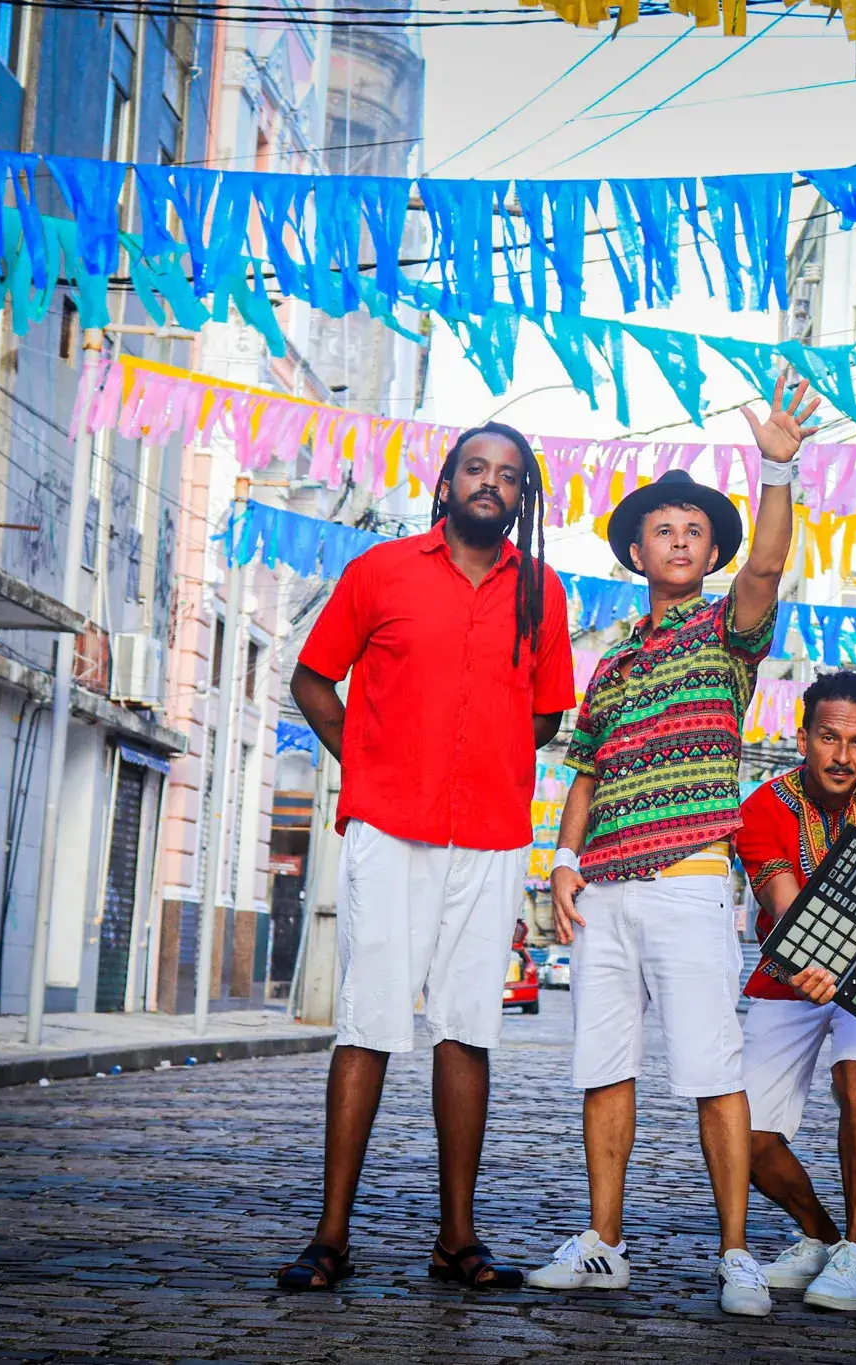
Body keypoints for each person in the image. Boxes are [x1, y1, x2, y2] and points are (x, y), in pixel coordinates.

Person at [527, 374, 820, 1317]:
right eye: (665, 529)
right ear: (637, 549)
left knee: (710, 1071)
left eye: (697, 529)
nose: (682, 539)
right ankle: (605, 1242)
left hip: (692, 881)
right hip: (605, 888)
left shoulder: (729, 633)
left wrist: (777, 466)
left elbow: (768, 567)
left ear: (709, 550)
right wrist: (564, 862)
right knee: (603, 1068)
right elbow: (587, 770)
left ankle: (736, 1251)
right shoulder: (610, 659)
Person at [275, 423, 574, 1293]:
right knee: (368, 1022)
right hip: (388, 828)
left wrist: (489, 754)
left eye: (509, 476)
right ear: (445, 484)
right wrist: (364, 762)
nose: (492, 483)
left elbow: (550, 712)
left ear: (523, 499)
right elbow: (311, 678)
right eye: (476, 468)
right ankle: (330, 1235)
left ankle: (457, 1238)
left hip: (488, 836)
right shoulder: (381, 571)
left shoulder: (542, 592)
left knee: (469, 1028)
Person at [732, 669, 856, 1312]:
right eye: (829, 738)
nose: (842, 756)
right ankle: (823, 1239)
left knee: (855, 1080)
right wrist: (808, 962)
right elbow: (779, 898)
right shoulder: (762, 807)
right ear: (803, 737)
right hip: (790, 971)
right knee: (748, 1135)